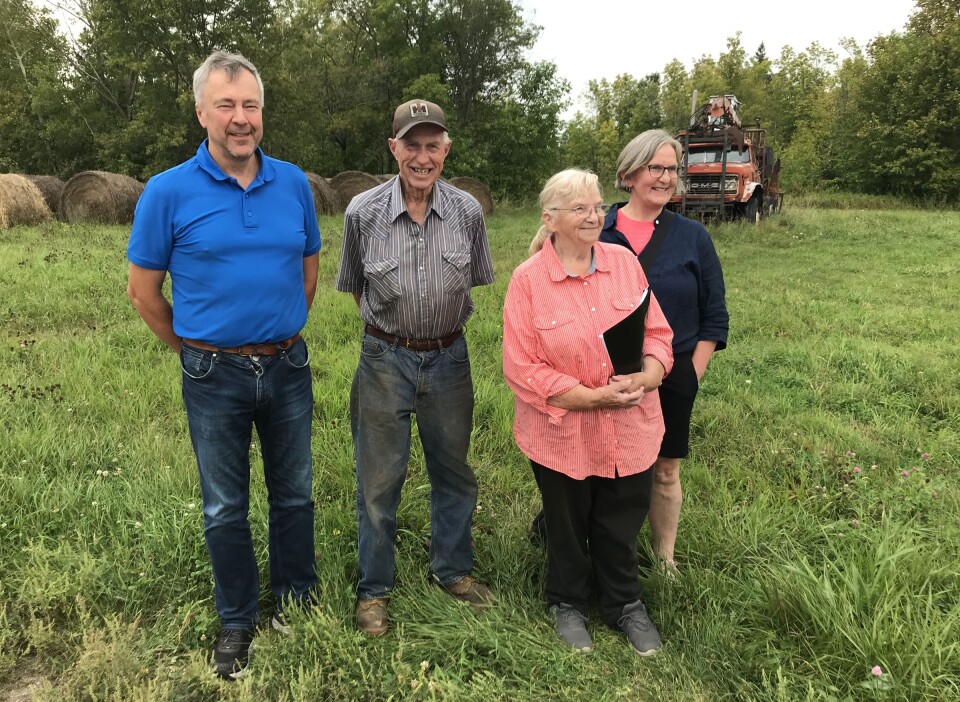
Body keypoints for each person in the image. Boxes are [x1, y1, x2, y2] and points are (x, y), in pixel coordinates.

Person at [126, 51, 321, 680]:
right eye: (227, 105)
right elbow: (143, 291)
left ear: (263, 111)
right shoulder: (167, 191)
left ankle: (298, 603)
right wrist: (193, 351)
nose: (241, 119)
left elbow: (308, 269)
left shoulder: (292, 183)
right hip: (213, 375)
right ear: (201, 111)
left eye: (251, 105)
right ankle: (237, 620)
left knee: (294, 495)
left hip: (288, 366)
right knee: (223, 507)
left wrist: (280, 327)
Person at [335, 99, 495, 637]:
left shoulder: (469, 213)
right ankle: (374, 589)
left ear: (446, 150)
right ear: (393, 148)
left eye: (432, 145)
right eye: (412, 145)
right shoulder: (361, 211)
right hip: (383, 358)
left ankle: (451, 571)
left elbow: (473, 281)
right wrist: (395, 333)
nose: (422, 157)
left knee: (454, 472)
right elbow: (355, 287)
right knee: (379, 480)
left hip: (450, 357)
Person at [502, 169, 674, 655]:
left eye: (598, 206)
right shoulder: (529, 280)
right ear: (549, 219)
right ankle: (568, 602)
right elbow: (521, 366)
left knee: (620, 519)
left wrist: (648, 376)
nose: (594, 216)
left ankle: (625, 604)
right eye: (579, 208)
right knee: (566, 521)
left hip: (631, 424)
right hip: (561, 433)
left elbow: (658, 334)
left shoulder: (623, 263)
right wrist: (589, 396)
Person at [600, 129, 729, 571]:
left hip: (673, 374)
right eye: (655, 167)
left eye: (672, 168)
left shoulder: (692, 237)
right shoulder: (597, 230)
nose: (665, 177)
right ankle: (600, 548)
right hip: (605, 373)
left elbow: (715, 315)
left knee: (665, 469)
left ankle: (664, 558)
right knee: (605, 466)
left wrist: (691, 374)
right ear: (629, 175)